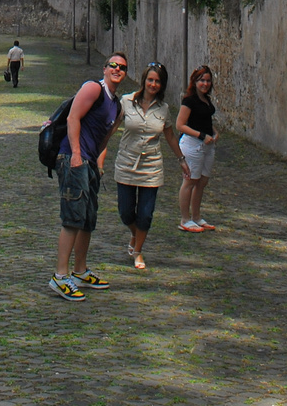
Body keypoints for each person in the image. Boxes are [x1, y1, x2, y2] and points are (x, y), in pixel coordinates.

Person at [48, 51, 127, 300]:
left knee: (87, 219)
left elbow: (105, 139)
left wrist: (98, 165)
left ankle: (80, 270)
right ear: (104, 69)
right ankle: (60, 276)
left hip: (90, 163)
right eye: (112, 65)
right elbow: (73, 117)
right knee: (72, 218)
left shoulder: (117, 106)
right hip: (74, 159)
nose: (117, 69)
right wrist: (75, 154)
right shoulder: (94, 89)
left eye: (122, 67)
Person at [114, 62, 188, 270]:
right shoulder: (127, 101)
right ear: (144, 80)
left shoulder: (163, 109)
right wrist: (96, 152)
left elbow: (170, 136)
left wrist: (182, 160)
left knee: (145, 214)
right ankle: (134, 235)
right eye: (150, 80)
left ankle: (137, 251)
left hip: (151, 167)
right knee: (126, 212)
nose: (153, 84)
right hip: (126, 163)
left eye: (157, 81)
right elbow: (112, 127)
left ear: (162, 85)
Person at [176, 64, 219, 232]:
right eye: (202, 80)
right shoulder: (189, 100)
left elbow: (206, 120)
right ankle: (185, 219)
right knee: (190, 181)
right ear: (195, 82)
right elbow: (181, 125)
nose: (205, 84)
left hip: (208, 145)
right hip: (193, 145)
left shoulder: (206, 100)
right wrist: (201, 135)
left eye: (208, 81)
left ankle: (196, 217)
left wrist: (214, 132)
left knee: (202, 181)